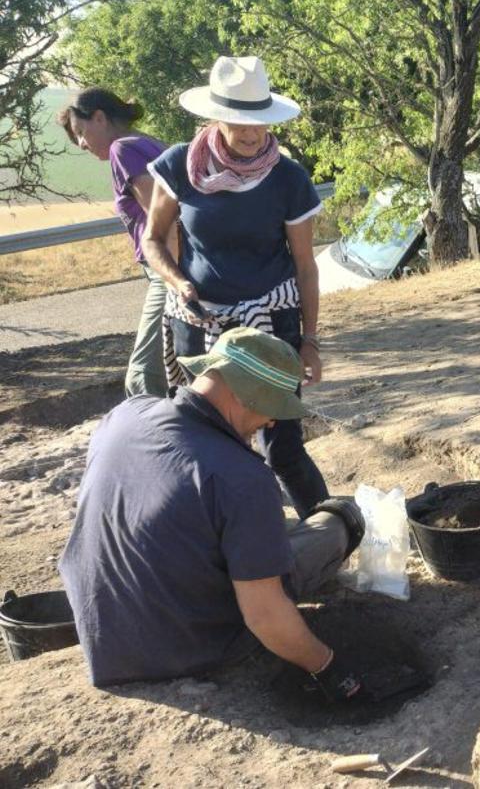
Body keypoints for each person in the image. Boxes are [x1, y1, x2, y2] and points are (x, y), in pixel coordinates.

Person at [59, 327, 366, 698]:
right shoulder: (242, 478)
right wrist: (328, 666)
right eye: (272, 407)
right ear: (245, 394)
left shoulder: (125, 415)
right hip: (192, 648)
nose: (271, 422)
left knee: (256, 527)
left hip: (104, 638)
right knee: (337, 519)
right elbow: (264, 616)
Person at [141, 55, 329, 516]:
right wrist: (178, 281)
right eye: (239, 123)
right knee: (204, 442)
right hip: (199, 321)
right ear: (216, 118)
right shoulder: (179, 166)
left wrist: (309, 340)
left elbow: (305, 266)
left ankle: (334, 531)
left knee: (282, 446)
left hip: (270, 325)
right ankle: (220, 540)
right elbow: (153, 240)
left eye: (259, 123)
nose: (251, 134)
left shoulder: (288, 179)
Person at [58, 89, 176, 398]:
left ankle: (150, 428)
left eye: (80, 132)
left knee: (144, 378)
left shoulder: (123, 149)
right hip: (179, 269)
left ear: (99, 117)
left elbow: (164, 221)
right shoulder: (149, 143)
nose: (81, 144)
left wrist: (175, 282)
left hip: (168, 272)